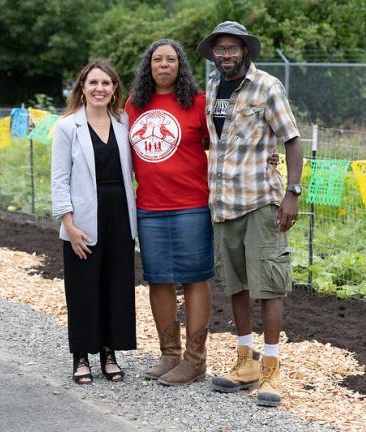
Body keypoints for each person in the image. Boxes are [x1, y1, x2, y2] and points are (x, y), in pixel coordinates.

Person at [197, 21, 303, 407]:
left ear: (245, 51)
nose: (225, 55)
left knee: (269, 284)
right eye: (219, 49)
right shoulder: (211, 88)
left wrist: (291, 192)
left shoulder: (267, 87)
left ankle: (271, 368)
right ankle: (246, 361)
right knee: (236, 284)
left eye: (232, 48)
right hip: (224, 204)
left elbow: (291, 140)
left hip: (260, 201)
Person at [125, 39, 213, 386]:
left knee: (194, 277)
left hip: (191, 205)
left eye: (171, 60)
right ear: (149, 66)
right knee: (157, 279)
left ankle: (195, 360)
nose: (164, 65)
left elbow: (215, 146)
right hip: (149, 206)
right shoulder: (134, 106)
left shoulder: (197, 104)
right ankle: (169, 355)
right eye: (157, 59)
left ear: (181, 66)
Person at [51, 59, 137, 385]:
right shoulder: (66, 127)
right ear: (83, 89)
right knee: (84, 289)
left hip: (119, 216)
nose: (100, 88)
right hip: (83, 219)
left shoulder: (123, 123)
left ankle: (109, 353)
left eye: (106, 83)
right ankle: (81, 356)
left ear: (115, 89)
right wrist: (69, 226)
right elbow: (59, 180)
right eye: (93, 83)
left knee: (116, 288)